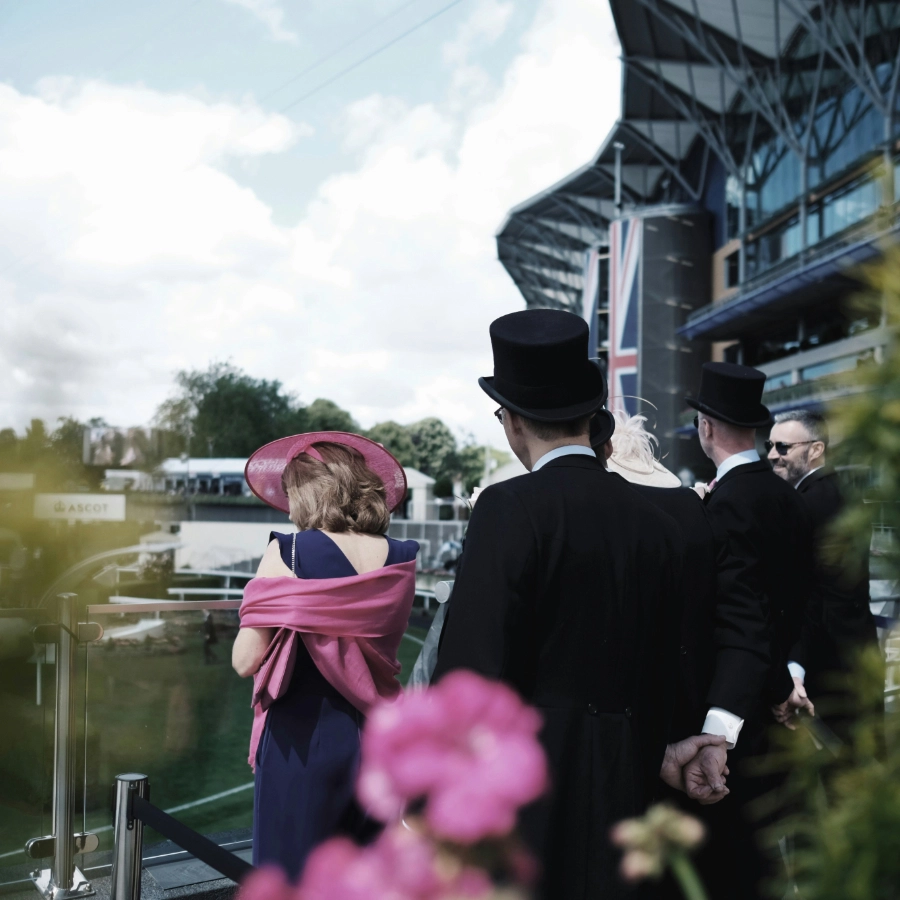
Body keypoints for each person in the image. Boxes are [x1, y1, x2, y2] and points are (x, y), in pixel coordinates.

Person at [432, 309, 726, 900]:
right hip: (631, 788)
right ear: (592, 417)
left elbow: (471, 669)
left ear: (514, 420)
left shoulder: (507, 508)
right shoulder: (659, 522)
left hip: (526, 796)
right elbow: (669, 663)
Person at [232, 434, 418, 880]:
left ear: (309, 493)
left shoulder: (289, 550)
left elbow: (244, 660)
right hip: (377, 736)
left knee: (292, 879)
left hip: (302, 740)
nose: (288, 509)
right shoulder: (402, 558)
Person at [687, 362, 814, 899]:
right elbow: (798, 603)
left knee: (730, 864)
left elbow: (742, 617)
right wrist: (787, 682)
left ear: (706, 426)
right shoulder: (790, 497)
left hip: (733, 712)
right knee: (762, 858)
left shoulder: (726, 504)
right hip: (776, 700)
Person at [767, 409, 879, 741]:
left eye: (783, 447)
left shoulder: (805, 504)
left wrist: (794, 670)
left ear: (816, 449)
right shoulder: (842, 493)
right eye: (770, 445)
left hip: (824, 665)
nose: (772, 454)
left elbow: (808, 594)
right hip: (856, 654)